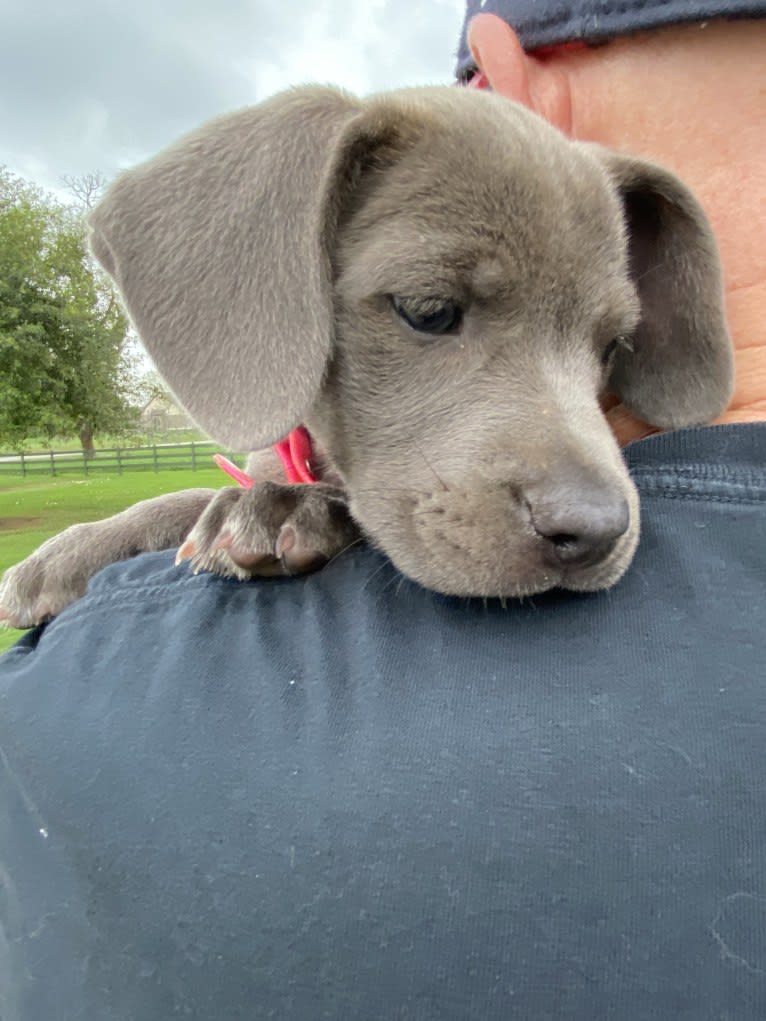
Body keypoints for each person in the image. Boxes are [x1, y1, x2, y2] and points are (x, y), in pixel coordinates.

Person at [0, 3, 764, 1018]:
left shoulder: (87, 712)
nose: (591, 498)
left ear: (504, 72)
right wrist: (223, 508)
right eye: (433, 312)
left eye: (600, 349)